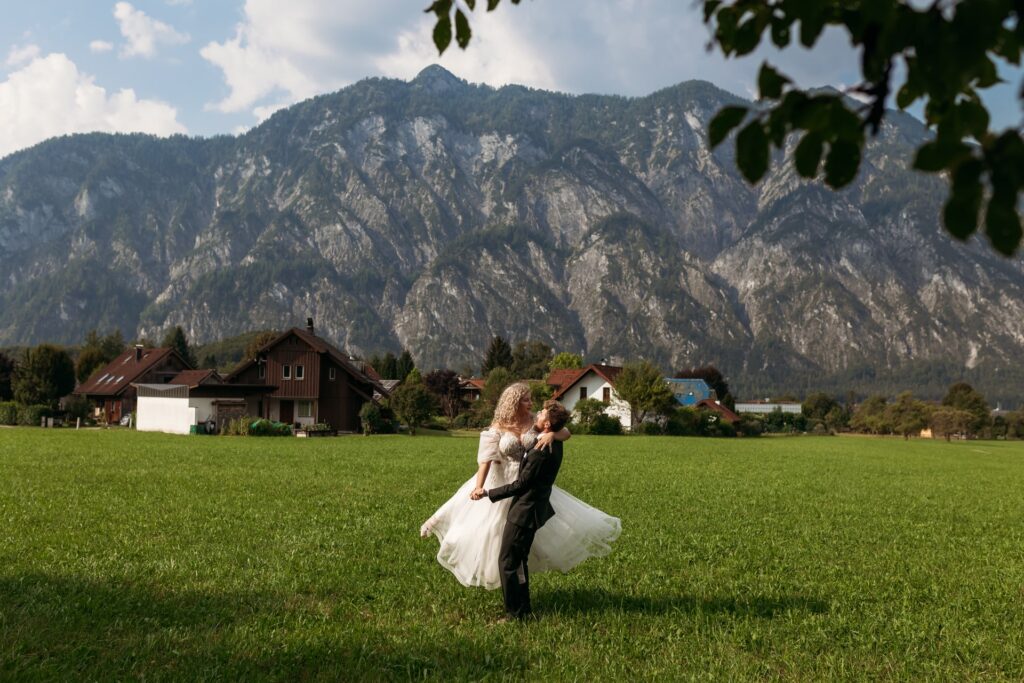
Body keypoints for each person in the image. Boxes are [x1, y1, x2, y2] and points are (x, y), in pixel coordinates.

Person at [420, 383, 620, 590]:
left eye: (530, 399)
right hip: (502, 481)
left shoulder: (536, 420)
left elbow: (565, 432)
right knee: (493, 533)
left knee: (523, 539)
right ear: (513, 402)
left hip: (526, 483)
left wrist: (553, 435)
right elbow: (485, 461)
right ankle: (508, 584)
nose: (530, 403)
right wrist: (480, 487)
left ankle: (517, 588)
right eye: (526, 399)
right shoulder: (498, 426)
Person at [471, 400, 569, 620]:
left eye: (542, 413)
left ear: (547, 424)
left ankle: (514, 614)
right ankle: (523, 609)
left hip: (525, 512)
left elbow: (521, 485)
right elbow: (563, 432)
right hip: (531, 509)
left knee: (507, 562)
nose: (538, 413)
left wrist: (488, 493)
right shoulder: (550, 442)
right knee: (519, 562)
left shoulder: (540, 451)